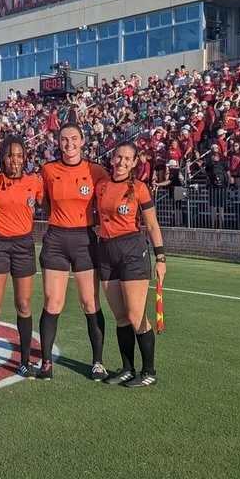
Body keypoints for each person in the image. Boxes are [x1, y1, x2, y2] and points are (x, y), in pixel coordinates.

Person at [36, 118, 110, 381]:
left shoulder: (97, 171)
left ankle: (98, 362)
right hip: (56, 238)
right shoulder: (47, 170)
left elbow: (107, 201)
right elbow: (44, 202)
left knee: (89, 303)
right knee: (53, 302)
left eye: (74, 139)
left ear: (83, 141)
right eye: (64, 139)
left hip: (84, 240)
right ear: (58, 142)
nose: (69, 144)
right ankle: (46, 363)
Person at [96, 142, 167, 387]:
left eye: (128, 158)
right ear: (112, 158)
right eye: (118, 157)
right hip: (105, 251)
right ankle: (127, 369)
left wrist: (160, 258)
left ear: (135, 162)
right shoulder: (102, 185)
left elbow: (152, 225)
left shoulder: (139, 188)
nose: (122, 162)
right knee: (121, 317)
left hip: (132, 252)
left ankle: (149, 372)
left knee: (137, 315)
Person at [0, 136, 42, 380]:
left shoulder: (33, 181)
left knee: (24, 305)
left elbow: (50, 201)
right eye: (10, 155)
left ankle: (24, 361)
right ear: (2, 157)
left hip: (24, 245)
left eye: (19, 155)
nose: (15, 160)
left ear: (24, 157)